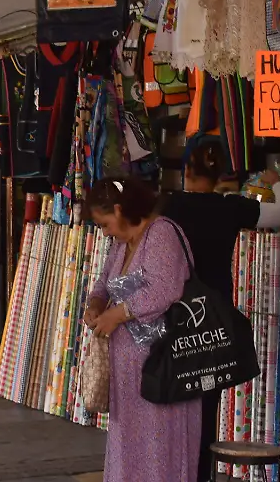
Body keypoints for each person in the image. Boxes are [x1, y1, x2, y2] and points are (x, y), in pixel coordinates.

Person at [160, 138, 280, 481]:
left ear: (186, 170)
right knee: (205, 409)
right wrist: (279, 181)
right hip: (214, 327)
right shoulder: (231, 208)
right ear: (219, 174)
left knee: (169, 406)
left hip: (172, 322)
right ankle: (201, 475)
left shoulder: (167, 207)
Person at [82, 178, 201, 481]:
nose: (105, 232)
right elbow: (103, 282)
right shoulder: (122, 245)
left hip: (162, 366)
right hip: (129, 373)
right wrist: (96, 304)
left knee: (160, 446)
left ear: (120, 210)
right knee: (130, 445)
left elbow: (165, 289)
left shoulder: (161, 234)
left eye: (105, 223)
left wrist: (117, 315)